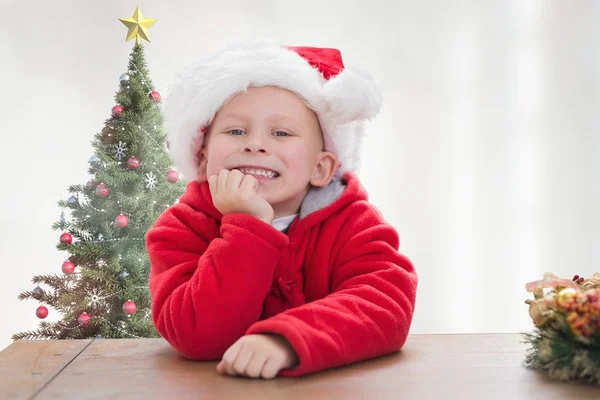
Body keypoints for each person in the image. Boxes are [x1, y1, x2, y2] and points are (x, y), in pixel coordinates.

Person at [146, 40, 418, 379]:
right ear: (202, 158)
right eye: (236, 130)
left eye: (281, 132)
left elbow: (386, 306)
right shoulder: (180, 229)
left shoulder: (354, 224)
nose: (256, 144)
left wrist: (285, 340)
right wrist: (247, 228)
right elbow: (195, 337)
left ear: (321, 168)